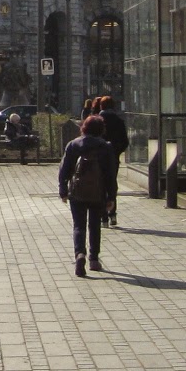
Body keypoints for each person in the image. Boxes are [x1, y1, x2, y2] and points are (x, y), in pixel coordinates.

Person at [59, 114, 119, 276]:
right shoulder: (105, 147)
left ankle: (80, 254)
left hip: (76, 193)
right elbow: (110, 175)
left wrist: (63, 190)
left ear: (84, 127)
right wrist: (111, 196)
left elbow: (64, 170)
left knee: (79, 225)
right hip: (98, 193)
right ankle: (93, 259)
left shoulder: (73, 145)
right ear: (101, 129)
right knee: (94, 225)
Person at [98, 95, 130, 226]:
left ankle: (103, 217)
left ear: (101, 106)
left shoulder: (97, 121)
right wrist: (116, 152)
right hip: (113, 159)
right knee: (111, 185)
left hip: (98, 159)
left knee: (100, 186)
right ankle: (112, 214)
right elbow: (125, 142)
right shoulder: (119, 121)